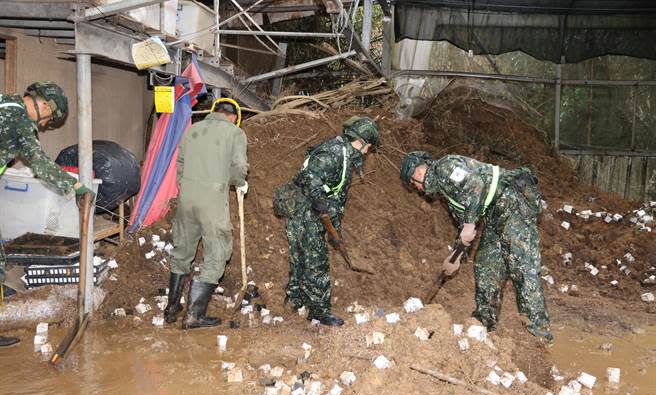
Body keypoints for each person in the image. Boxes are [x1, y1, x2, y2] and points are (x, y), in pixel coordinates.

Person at [400, 152, 553, 343]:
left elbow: (477, 186)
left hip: (513, 203)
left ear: (417, 172)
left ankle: (538, 334)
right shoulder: (445, 191)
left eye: (413, 183)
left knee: (522, 268)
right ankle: (484, 324)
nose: (416, 188)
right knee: (486, 265)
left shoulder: (445, 167)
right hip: (495, 217)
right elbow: (464, 228)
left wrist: (470, 224)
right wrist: (455, 257)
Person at [0, 81, 93, 347]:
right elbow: (39, 162)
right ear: (42, 104)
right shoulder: (16, 118)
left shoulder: (5, 103)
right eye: (49, 118)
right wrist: (75, 186)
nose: (44, 124)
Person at [274, 116, 379, 326]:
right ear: (360, 142)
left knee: (301, 256)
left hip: (308, 211)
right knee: (316, 262)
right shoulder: (334, 152)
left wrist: (335, 231)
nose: (367, 152)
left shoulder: (344, 154)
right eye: (368, 147)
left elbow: (337, 198)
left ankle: (296, 299)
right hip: (306, 211)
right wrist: (319, 202)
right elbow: (310, 176)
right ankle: (319, 312)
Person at [164, 98, 248, 329]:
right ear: (233, 117)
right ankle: (194, 316)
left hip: (186, 199)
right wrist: (239, 182)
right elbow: (239, 167)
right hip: (213, 201)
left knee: (182, 250)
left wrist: (189, 187)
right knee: (217, 251)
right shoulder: (235, 133)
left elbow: (180, 165)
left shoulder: (192, 130)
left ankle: (171, 309)